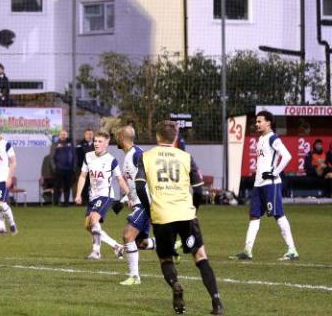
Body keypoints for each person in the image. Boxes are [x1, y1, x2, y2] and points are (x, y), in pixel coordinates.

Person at [137, 121, 223, 315]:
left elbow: (140, 187)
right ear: (175, 137)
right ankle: (217, 302)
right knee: (200, 256)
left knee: (166, 258)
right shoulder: (186, 157)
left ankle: (175, 283)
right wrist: (195, 209)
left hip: (162, 214)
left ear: (157, 137)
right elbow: (199, 190)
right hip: (186, 213)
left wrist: (149, 209)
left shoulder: (145, 157)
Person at [230, 110, 298, 261]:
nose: (257, 124)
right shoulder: (261, 139)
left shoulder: (273, 138)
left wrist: (275, 172)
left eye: (260, 121)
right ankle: (247, 251)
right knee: (254, 216)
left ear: (268, 122)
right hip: (258, 184)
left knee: (278, 214)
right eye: (256, 122)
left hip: (271, 184)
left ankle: (292, 250)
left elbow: (287, 156)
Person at [74, 130, 127, 259]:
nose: (96, 144)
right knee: (89, 226)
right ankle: (117, 246)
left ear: (106, 144)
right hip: (93, 196)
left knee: (93, 220)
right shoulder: (88, 156)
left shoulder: (111, 161)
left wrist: (130, 195)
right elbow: (83, 176)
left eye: (100, 141)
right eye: (95, 141)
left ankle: (96, 252)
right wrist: (78, 194)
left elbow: (120, 179)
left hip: (106, 195)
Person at [115, 125, 157, 285]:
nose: (116, 139)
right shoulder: (129, 156)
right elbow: (134, 184)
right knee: (139, 243)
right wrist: (125, 200)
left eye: (117, 136)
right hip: (138, 202)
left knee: (127, 236)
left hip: (145, 203)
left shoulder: (137, 154)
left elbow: (146, 180)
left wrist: (146, 202)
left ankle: (134, 277)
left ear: (122, 138)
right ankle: (169, 243)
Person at [52, 129, 75, 206]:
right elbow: (52, 157)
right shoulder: (55, 144)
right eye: (62, 134)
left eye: (65, 134)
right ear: (59, 135)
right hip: (58, 169)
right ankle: (56, 202)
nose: (63, 136)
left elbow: (74, 156)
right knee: (57, 187)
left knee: (67, 187)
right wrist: (54, 167)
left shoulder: (70, 144)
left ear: (67, 135)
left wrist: (73, 167)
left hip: (68, 170)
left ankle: (66, 203)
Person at [75, 127, 95, 204]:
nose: (89, 136)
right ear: (84, 135)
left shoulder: (96, 144)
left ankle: (93, 201)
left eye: (91, 134)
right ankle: (84, 201)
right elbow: (77, 157)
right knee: (84, 185)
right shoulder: (80, 144)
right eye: (87, 134)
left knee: (94, 186)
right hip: (82, 168)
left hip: (94, 169)